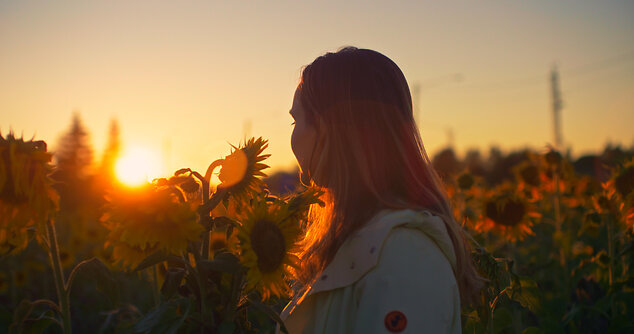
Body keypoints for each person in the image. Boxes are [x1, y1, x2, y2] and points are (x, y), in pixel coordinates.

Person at [283, 47, 483, 333]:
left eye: (295, 120)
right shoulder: (359, 239)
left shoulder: (406, 257)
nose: (292, 137)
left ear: (326, 129)